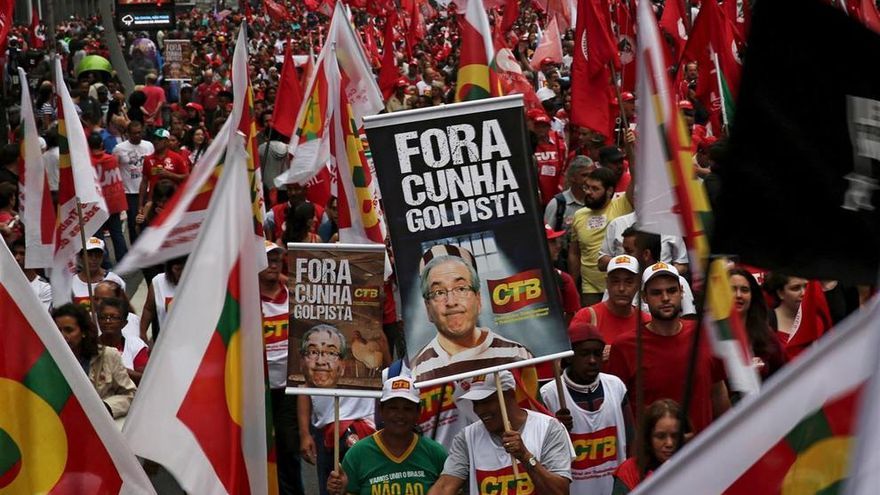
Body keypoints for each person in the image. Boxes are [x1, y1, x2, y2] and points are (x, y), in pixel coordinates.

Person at [607, 262, 730, 433]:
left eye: (671, 291)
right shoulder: (624, 347)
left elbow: (718, 390)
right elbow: (617, 407)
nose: (665, 298)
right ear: (644, 297)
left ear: (681, 292)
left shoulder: (705, 335)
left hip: (702, 450)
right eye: (656, 293)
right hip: (652, 455)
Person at [428, 371, 574, 495]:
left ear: (510, 395)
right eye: (475, 404)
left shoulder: (549, 427)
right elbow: (445, 486)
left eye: (486, 401)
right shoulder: (467, 437)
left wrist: (525, 457)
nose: (479, 411)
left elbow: (560, 491)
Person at [410, 245, 533, 383]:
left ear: (478, 299)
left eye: (461, 288)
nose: (451, 302)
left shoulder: (516, 354)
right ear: (428, 309)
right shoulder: (416, 371)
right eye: (438, 292)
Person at [541, 322, 633, 495]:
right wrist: (556, 428)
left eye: (597, 354)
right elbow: (540, 453)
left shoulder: (616, 386)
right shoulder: (549, 394)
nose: (592, 361)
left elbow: (631, 440)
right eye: (584, 354)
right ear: (569, 356)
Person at [327, 376, 447, 495]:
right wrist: (339, 491)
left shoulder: (436, 454)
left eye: (407, 409)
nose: (400, 415)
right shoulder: (357, 455)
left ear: (418, 412)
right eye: (393, 408)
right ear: (381, 411)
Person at [261, 241, 304, 495]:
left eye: (277, 260)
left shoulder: (294, 295)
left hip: (289, 388)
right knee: (261, 450)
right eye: (267, 260)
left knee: (290, 449)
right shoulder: (245, 301)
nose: (273, 265)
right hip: (258, 390)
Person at [52, 303, 136, 419]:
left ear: (83, 332)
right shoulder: (46, 359)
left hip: (97, 426)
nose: (62, 336)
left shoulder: (108, 355)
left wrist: (106, 406)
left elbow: (129, 394)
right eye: (57, 330)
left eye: (69, 330)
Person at [568, 167, 633, 306]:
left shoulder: (622, 205)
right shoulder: (579, 215)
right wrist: (573, 285)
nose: (588, 192)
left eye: (595, 189)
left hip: (619, 285)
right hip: (589, 288)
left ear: (609, 191)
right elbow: (574, 253)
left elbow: (636, 178)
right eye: (587, 187)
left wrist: (630, 147)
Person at [611, 399, 689, 493]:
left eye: (675, 436)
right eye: (661, 436)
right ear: (648, 437)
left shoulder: (694, 467)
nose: (669, 443)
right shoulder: (629, 471)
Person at [572, 254, 649, 344]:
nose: (621, 288)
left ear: (638, 285)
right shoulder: (586, 317)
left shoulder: (647, 322)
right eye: (615, 281)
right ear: (607, 283)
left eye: (629, 282)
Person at [729, 267, 786, 379]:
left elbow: (785, 372)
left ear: (752, 296)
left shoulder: (765, 334)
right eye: (732, 289)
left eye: (744, 290)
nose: (738, 295)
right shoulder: (712, 334)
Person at [89, 131, 128, 263]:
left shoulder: (87, 163)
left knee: (99, 236)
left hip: (97, 205)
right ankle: (123, 261)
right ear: (101, 144)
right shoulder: (111, 159)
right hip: (113, 203)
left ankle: (104, 263)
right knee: (117, 233)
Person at [113, 120, 154, 245]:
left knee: (148, 222)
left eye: (140, 132)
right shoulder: (119, 148)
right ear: (128, 134)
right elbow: (113, 168)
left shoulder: (149, 145)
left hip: (147, 190)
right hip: (130, 192)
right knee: (134, 223)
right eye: (135, 133)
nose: (138, 135)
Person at [97, 297, 150, 384]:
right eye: (103, 317)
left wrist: (118, 369)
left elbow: (145, 379)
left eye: (114, 317)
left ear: (124, 323)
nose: (108, 321)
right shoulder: (89, 346)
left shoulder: (136, 345)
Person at [138, 128, 189, 213]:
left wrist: (169, 174)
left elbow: (186, 177)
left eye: (159, 139)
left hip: (172, 202)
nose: (156, 141)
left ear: (166, 141)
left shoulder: (177, 158)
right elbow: (144, 182)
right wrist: (140, 205)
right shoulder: (148, 159)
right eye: (154, 139)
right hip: (153, 202)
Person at [71, 237, 126, 309]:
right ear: (81, 257)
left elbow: (123, 309)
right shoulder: (70, 284)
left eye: (98, 255)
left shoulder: (115, 280)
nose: (94, 259)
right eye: (89, 255)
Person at [140, 256, 186, 342]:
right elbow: (149, 309)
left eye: (185, 268)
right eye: (178, 269)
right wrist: (142, 333)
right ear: (170, 268)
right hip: (167, 342)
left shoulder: (196, 281)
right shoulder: (158, 282)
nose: (182, 273)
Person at [10, 239, 52, 310]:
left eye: (22, 254)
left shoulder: (44, 289)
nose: (17, 258)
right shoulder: (5, 283)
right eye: (15, 253)